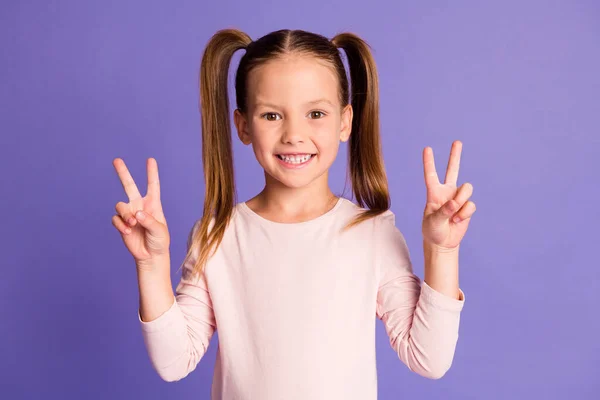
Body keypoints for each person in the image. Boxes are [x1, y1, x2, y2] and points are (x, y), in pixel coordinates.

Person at [111, 28, 476, 400]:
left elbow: (429, 358)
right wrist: (152, 264)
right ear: (243, 126)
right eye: (272, 115)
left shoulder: (372, 234)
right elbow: (174, 362)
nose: (294, 134)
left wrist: (442, 252)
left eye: (315, 113)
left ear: (345, 121)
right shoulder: (217, 236)